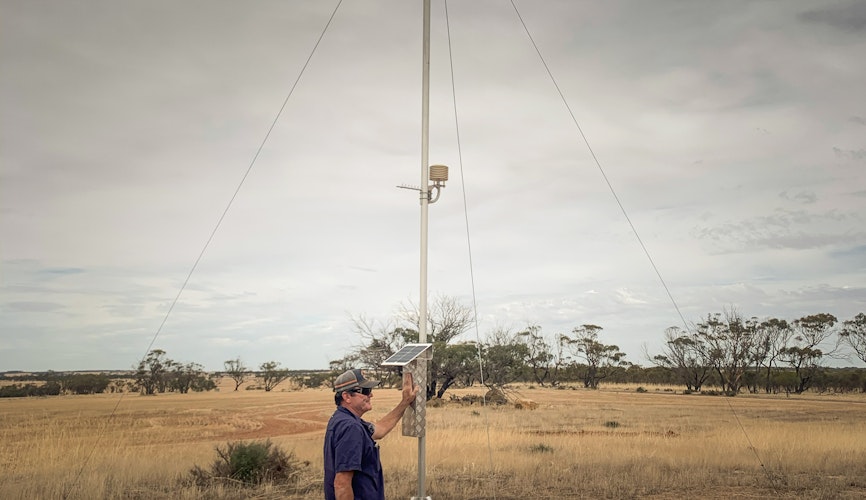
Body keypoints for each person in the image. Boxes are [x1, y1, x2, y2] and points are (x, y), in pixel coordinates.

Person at [323, 368, 419, 500]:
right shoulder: (351, 428)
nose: (371, 395)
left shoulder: (343, 419)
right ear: (347, 397)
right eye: (366, 391)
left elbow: (379, 430)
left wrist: (405, 402)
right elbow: (342, 484)